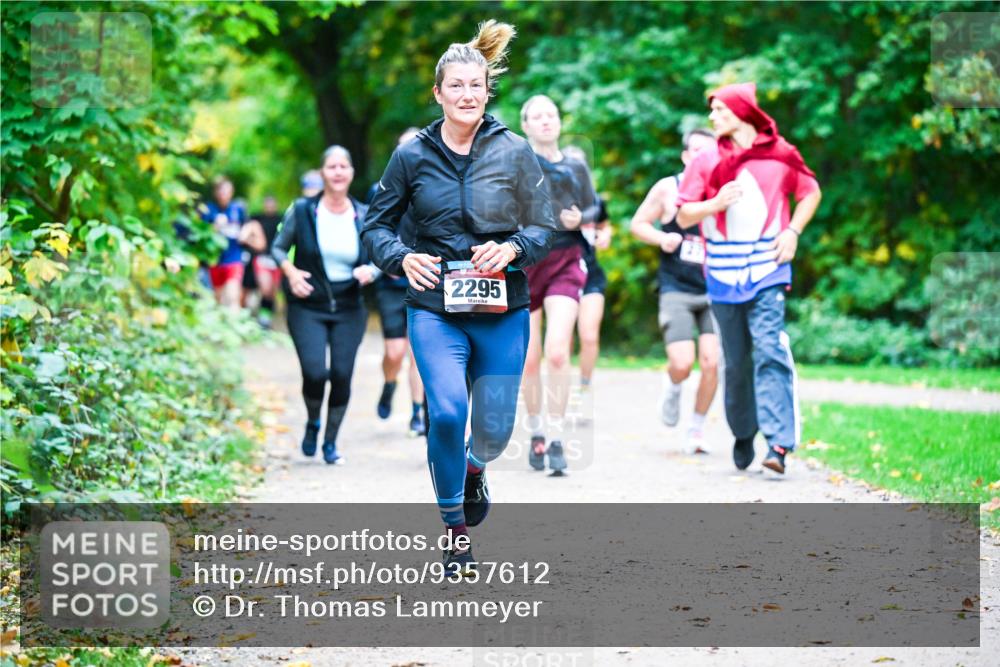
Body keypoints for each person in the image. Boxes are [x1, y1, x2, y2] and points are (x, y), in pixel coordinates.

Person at [363, 20, 555, 572]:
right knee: (446, 412)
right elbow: (376, 227)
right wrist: (402, 257)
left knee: (494, 427)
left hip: (501, 308)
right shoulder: (412, 156)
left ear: (487, 89)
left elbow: (543, 227)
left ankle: (475, 468)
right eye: (457, 86)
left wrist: (514, 248)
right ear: (438, 93)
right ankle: (454, 529)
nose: (468, 95)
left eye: (477, 85)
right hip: (436, 309)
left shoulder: (515, 151)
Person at [675, 82, 822, 474]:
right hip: (722, 274)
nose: (712, 117)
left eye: (720, 110)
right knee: (737, 361)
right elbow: (684, 215)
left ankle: (778, 444)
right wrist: (715, 203)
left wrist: (793, 232)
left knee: (770, 348)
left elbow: (810, 192)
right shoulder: (705, 160)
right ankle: (743, 431)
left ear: (742, 113)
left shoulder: (781, 154)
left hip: (768, 268)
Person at [272, 146, 381, 465]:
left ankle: (330, 442)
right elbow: (278, 249)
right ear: (322, 173)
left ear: (351, 173)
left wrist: (371, 270)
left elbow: (379, 255)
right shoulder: (303, 210)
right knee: (315, 372)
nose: (337, 171)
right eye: (331, 166)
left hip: (349, 306)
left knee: (342, 374)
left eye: (343, 166)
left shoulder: (363, 214)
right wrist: (291, 273)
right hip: (308, 304)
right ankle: (312, 422)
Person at [519, 95, 601, 474]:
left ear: (559, 121)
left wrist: (577, 217)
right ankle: (535, 430)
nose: (546, 121)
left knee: (556, 352)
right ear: (526, 125)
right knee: (530, 358)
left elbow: (595, 208)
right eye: (538, 116)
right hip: (525, 264)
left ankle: (555, 438)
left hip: (567, 259)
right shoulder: (517, 163)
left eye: (551, 114)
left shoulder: (575, 165)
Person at [630, 129, 720, 454]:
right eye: (696, 150)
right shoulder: (669, 188)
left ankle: (695, 430)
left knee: (711, 362)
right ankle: (673, 385)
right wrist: (661, 239)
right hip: (677, 289)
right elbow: (637, 224)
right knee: (683, 363)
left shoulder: (722, 192)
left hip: (715, 290)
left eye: (709, 151)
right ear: (685, 156)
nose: (701, 157)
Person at [367, 128, 427, 437]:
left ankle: (417, 413)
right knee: (394, 352)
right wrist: (390, 260)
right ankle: (390, 383)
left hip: (425, 278)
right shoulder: (381, 188)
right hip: (391, 281)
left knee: (419, 350)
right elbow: (375, 231)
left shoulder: (434, 185)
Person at [562, 145, 612, 406]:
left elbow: (605, 225)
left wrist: (605, 235)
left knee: (590, 334)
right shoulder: (553, 201)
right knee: (564, 337)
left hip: (591, 274)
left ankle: (583, 387)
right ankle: (564, 384)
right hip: (562, 276)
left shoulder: (594, 201)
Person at [201, 176, 249, 310]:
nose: (224, 194)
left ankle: (236, 325)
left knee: (233, 296)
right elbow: (199, 234)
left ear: (232, 192)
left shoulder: (238, 209)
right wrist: (214, 227)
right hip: (215, 260)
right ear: (216, 192)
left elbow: (248, 225)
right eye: (221, 190)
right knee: (218, 299)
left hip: (234, 258)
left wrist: (245, 232)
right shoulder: (208, 209)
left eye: (227, 190)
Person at [243, 194, 283, 328]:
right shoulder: (256, 218)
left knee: (272, 292)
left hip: (276, 259)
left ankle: (265, 317)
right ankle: (259, 318)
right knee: (265, 288)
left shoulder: (281, 219)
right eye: (268, 203)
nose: (270, 206)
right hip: (261, 258)